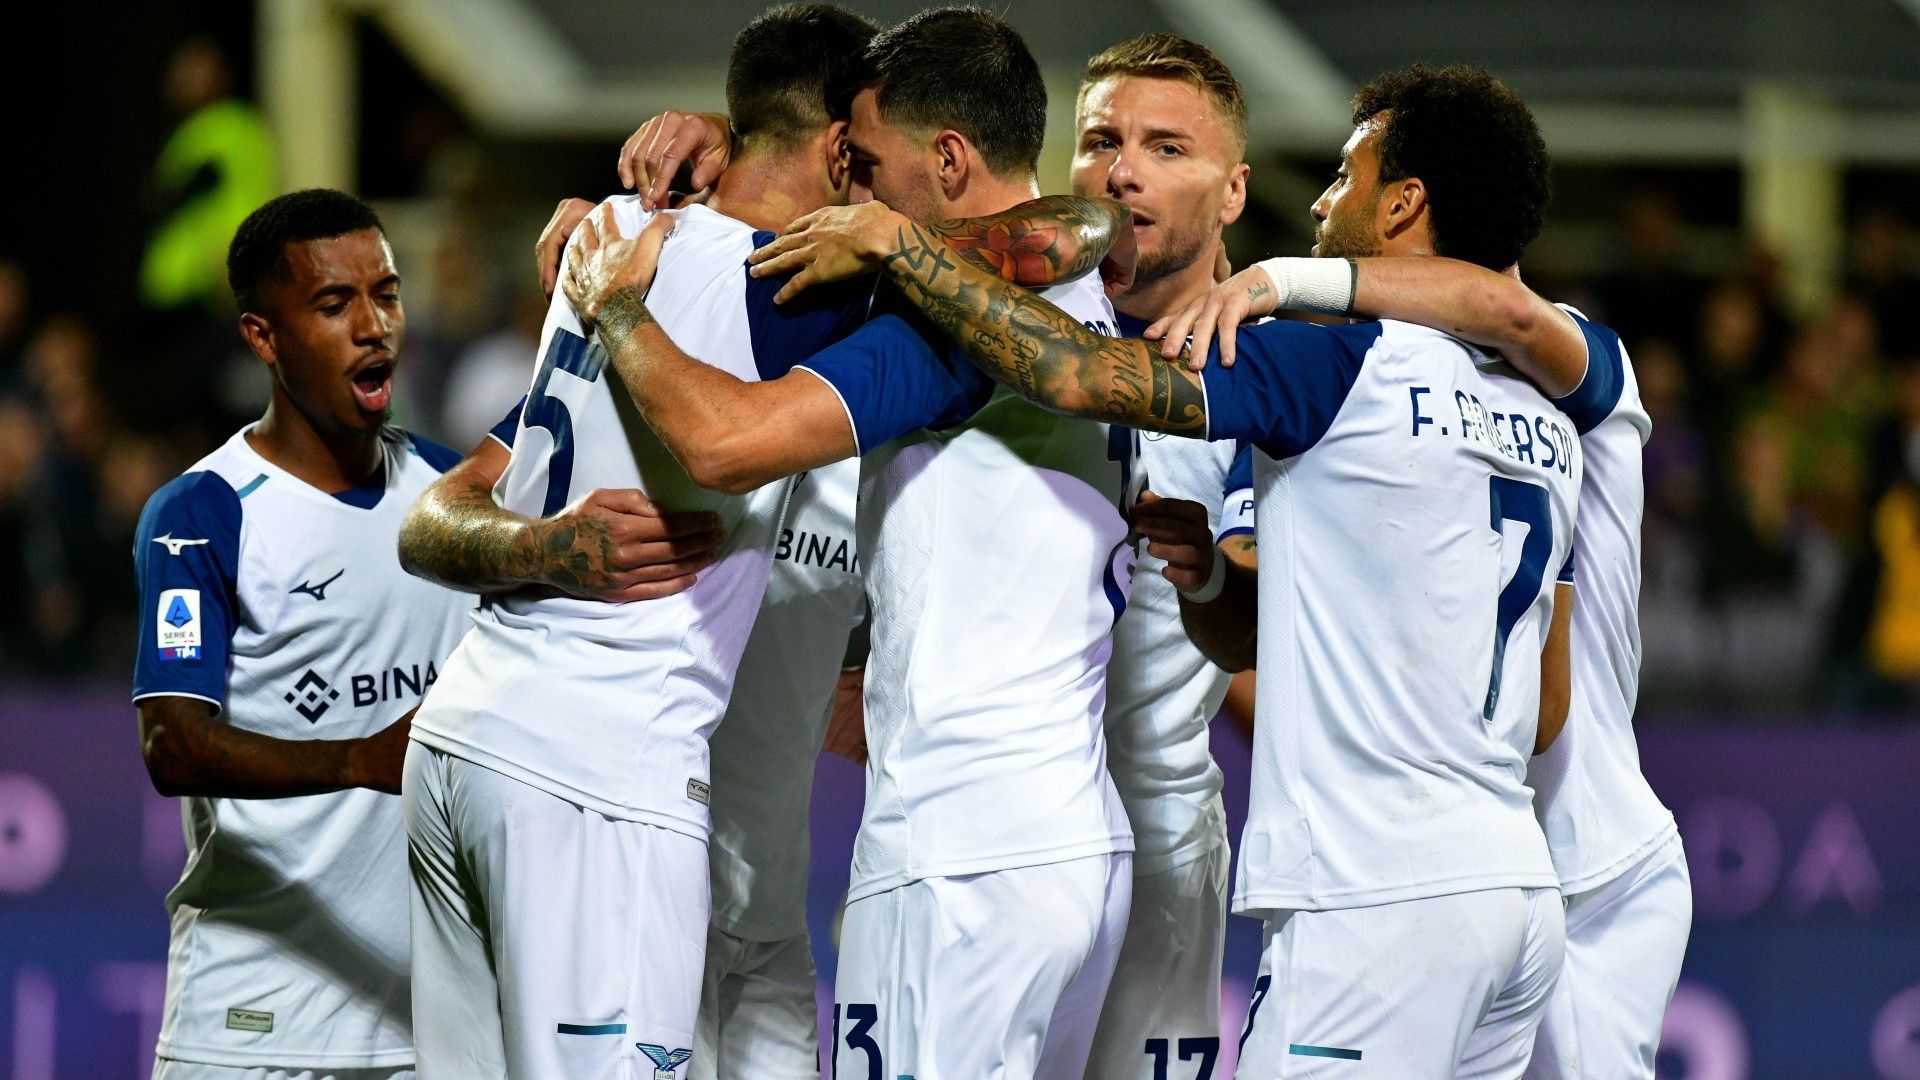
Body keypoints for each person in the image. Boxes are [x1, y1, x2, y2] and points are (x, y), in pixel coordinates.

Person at [753, 64, 1587, 1077]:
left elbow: (1073, 377)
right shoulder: (1554, 408)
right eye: (1102, 143)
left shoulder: (1285, 369)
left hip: (1198, 856)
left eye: (1167, 148)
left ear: (1233, 192)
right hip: (1479, 869)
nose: (1123, 173)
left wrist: (1281, 283)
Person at [401, 7, 1111, 1076]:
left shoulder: (616, 239)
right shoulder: (804, 298)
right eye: (860, 162)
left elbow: (1069, 231)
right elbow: (1062, 237)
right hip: (609, 780)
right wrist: (542, 547)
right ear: (837, 152)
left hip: (531, 771)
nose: (872, 199)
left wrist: (726, 147)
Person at [130, 189, 472, 1080]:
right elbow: (173, 744)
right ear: (263, 337)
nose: (373, 326)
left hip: (428, 1031)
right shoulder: (202, 514)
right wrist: (359, 758)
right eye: (333, 304)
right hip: (251, 1027)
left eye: (386, 294)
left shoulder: (453, 497)